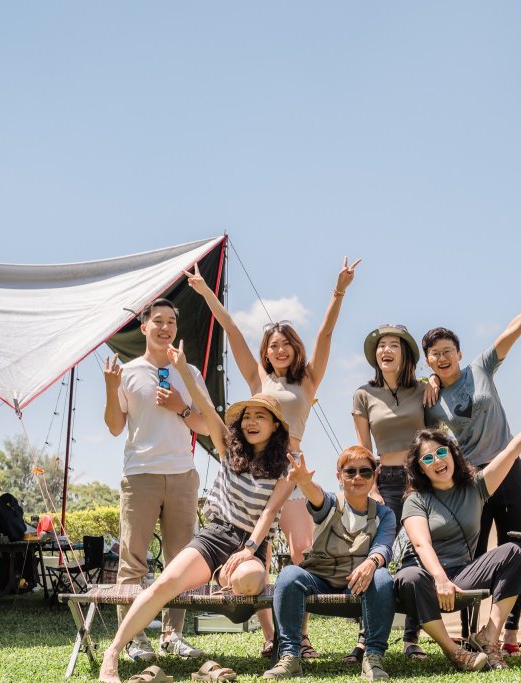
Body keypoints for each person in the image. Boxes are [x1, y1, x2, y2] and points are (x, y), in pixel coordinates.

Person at [184, 257, 360, 657]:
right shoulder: (257, 379)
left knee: (301, 553)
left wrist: (339, 291)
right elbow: (231, 330)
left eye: (285, 344)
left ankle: (299, 635)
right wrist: (205, 292)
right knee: (254, 548)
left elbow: (327, 332)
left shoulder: (308, 380)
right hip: (255, 473)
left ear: (294, 349)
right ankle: (271, 637)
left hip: (290, 474)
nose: (279, 350)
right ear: (266, 351)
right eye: (272, 345)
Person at [98, 341, 295, 683]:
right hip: (217, 535)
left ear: (275, 425)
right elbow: (204, 404)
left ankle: (223, 578)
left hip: (252, 543)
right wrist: (186, 369)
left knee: (248, 578)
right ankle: (112, 652)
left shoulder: (284, 469)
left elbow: (270, 512)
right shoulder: (229, 448)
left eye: (259, 417)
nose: (250, 422)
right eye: (247, 416)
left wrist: (249, 549)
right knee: (162, 585)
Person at [421, 273, 521, 653]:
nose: (441, 357)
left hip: (509, 470)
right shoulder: (432, 399)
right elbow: (428, 439)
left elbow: (511, 332)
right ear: (428, 361)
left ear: (458, 351)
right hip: (472, 480)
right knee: (474, 555)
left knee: (517, 549)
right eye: (433, 353)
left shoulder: (481, 367)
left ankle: (508, 634)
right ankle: (470, 630)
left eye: (446, 350)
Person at [394, 389, 521, 671]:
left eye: (440, 452)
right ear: (420, 468)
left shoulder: (475, 487)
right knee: (410, 576)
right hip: (425, 575)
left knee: (513, 551)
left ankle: (489, 637)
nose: (437, 461)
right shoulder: (416, 499)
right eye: (427, 459)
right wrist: (439, 579)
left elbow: (510, 452)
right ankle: (454, 651)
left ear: (451, 453)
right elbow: (421, 544)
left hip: (462, 574)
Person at [102, 298, 211, 663]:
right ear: (144, 327)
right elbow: (116, 427)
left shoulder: (190, 372)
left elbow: (208, 426)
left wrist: (181, 405)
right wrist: (108, 386)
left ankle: (172, 635)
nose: (165, 328)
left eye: (171, 322)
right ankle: (133, 639)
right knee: (133, 562)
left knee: (179, 562)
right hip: (140, 475)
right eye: (158, 321)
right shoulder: (128, 372)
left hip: (182, 475)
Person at [264, 445, 396, 681]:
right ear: (339, 476)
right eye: (350, 471)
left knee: (383, 576)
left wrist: (371, 562)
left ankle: (373, 657)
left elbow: (384, 547)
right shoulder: (330, 503)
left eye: (365, 472)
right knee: (288, 575)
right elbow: (316, 497)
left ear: (374, 475)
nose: (358, 477)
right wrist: (303, 482)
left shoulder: (384, 514)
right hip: (320, 579)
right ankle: (290, 657)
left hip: (358, 582)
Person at [350, 324, 435, 662]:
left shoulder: (424, 390)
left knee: (419, 552)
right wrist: (369, 484)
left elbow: (433, 438)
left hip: (420, 477)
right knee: (372, 553)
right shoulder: (363, 394)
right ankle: (364, 638)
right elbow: (362, 446)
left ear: (405, 354)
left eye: (393, 346)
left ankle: (412, 638)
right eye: (381, 346)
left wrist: (420, 476)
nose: (386, 350)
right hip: (382, 479)